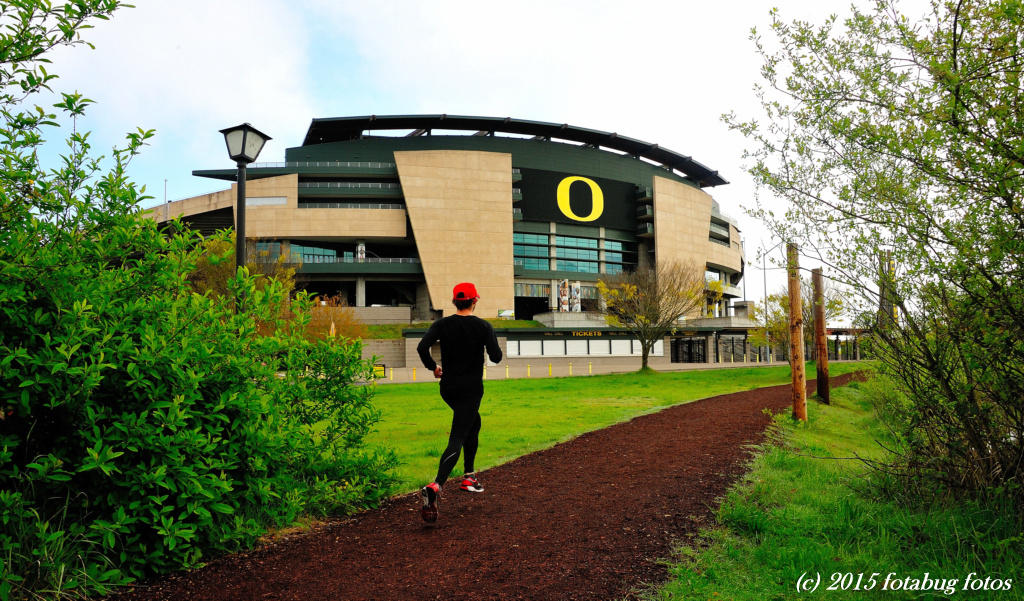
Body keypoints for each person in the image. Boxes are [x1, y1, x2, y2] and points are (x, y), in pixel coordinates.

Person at [416, 282, 503, 523]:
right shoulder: (483, 326)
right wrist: (488, 345)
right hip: (471, 389)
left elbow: (422, 347)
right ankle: (436, 486)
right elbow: (496, 357)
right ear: (475, 300)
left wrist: (433, 367)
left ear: (455, 301)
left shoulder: (442, 324)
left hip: (448, 388)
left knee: (473, 423)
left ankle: (469, 476)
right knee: (458, 435)